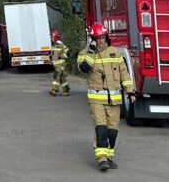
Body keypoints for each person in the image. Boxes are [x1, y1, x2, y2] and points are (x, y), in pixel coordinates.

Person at [77, 22, 134, 171]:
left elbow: (124, 73)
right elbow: (83, 68)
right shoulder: (85, 53)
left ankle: (109, 157)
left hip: (114, 100)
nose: (101, 40)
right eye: (97, 38)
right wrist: (92, 51)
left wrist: (130, 91)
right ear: (92, 39)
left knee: (112, 131)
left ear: (106, 37)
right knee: (101, 129)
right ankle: (102, 159)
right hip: (96, 101)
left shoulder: (115, 52)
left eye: (102, 37)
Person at [48, 30, 70, 97]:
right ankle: (66, 91)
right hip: (56, 65)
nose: (51, 38)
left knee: (56, 76)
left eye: (52, 37)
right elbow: (53, 54)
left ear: (55, 37)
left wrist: (62, 56)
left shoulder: (61, 44)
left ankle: (54, 90)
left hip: (61, 64)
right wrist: (50, 59)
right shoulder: (54, 45)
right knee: (62, 79)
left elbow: (67, 51)